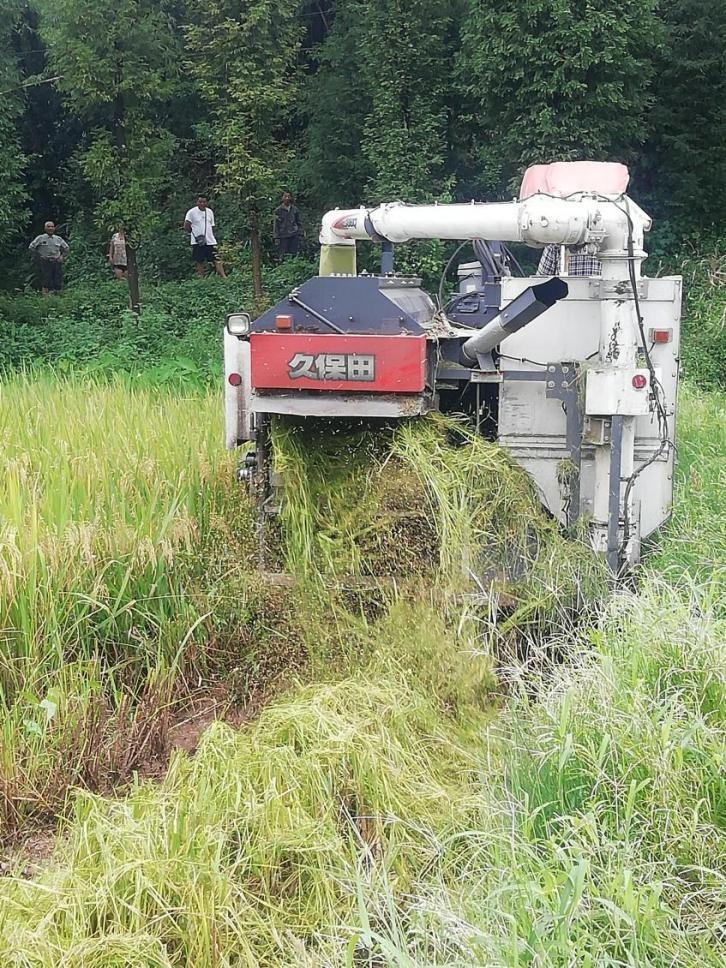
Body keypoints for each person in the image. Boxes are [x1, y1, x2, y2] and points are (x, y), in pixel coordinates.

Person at [184, 195, 227, 278]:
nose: (202, 203)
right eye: (200, 202)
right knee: (199, 260)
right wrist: (193, 233)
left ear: (207, 202)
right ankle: (202, 278)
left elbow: (211, 225)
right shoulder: (191, 212)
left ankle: (224, 277)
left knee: (216, 258)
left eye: (204, 202)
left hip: (210, 240)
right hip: (197, 241)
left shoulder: (210, 212)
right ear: (197, 202)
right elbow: (186, 225)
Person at [28, 220, 69, 295]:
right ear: (45, 228)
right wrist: (39, 256)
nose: (50, 228)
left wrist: (62, 256)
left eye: (52, 226)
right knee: (45, 279)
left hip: (56, 261)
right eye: (48, 226)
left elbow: (66, 248)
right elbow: (31, 247)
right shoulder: (40, 238)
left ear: (54, 228)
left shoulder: (58, 239)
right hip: (45, 261)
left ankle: (58, 298)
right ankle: (45, 298)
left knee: (58, 279)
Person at [537, 243, 602, 276]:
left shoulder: (608, 242)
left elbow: (541, 279)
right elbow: (542, 279)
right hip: (563, 299)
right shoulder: (556, 243)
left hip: (602, 299)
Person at [274, 191, 302, 257]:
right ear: (282, 198)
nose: (287, 198)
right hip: (283, 235)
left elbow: (298, 222)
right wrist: (276, 237)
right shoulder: (278, 210)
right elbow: (276, 225)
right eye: (285, 196)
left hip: (294, 234)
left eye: (288, 196)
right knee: (283, 254)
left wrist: (300, 232)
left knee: (294, 253)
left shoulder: (295, 209)